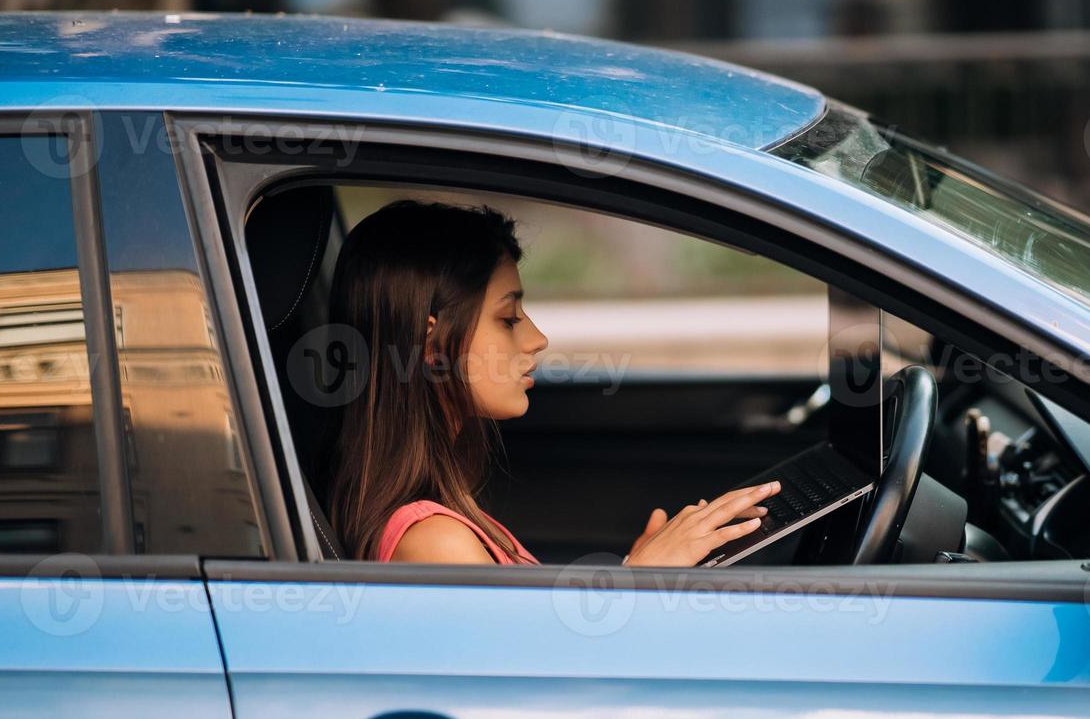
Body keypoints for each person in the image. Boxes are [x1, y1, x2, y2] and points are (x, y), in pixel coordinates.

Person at [322, 199, 779, 567]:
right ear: (432, 345)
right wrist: (641, 583)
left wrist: (632, 572)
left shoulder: (448, 511)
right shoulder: (435, 542)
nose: (537, 339)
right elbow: (537, 680)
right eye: (508, 318)